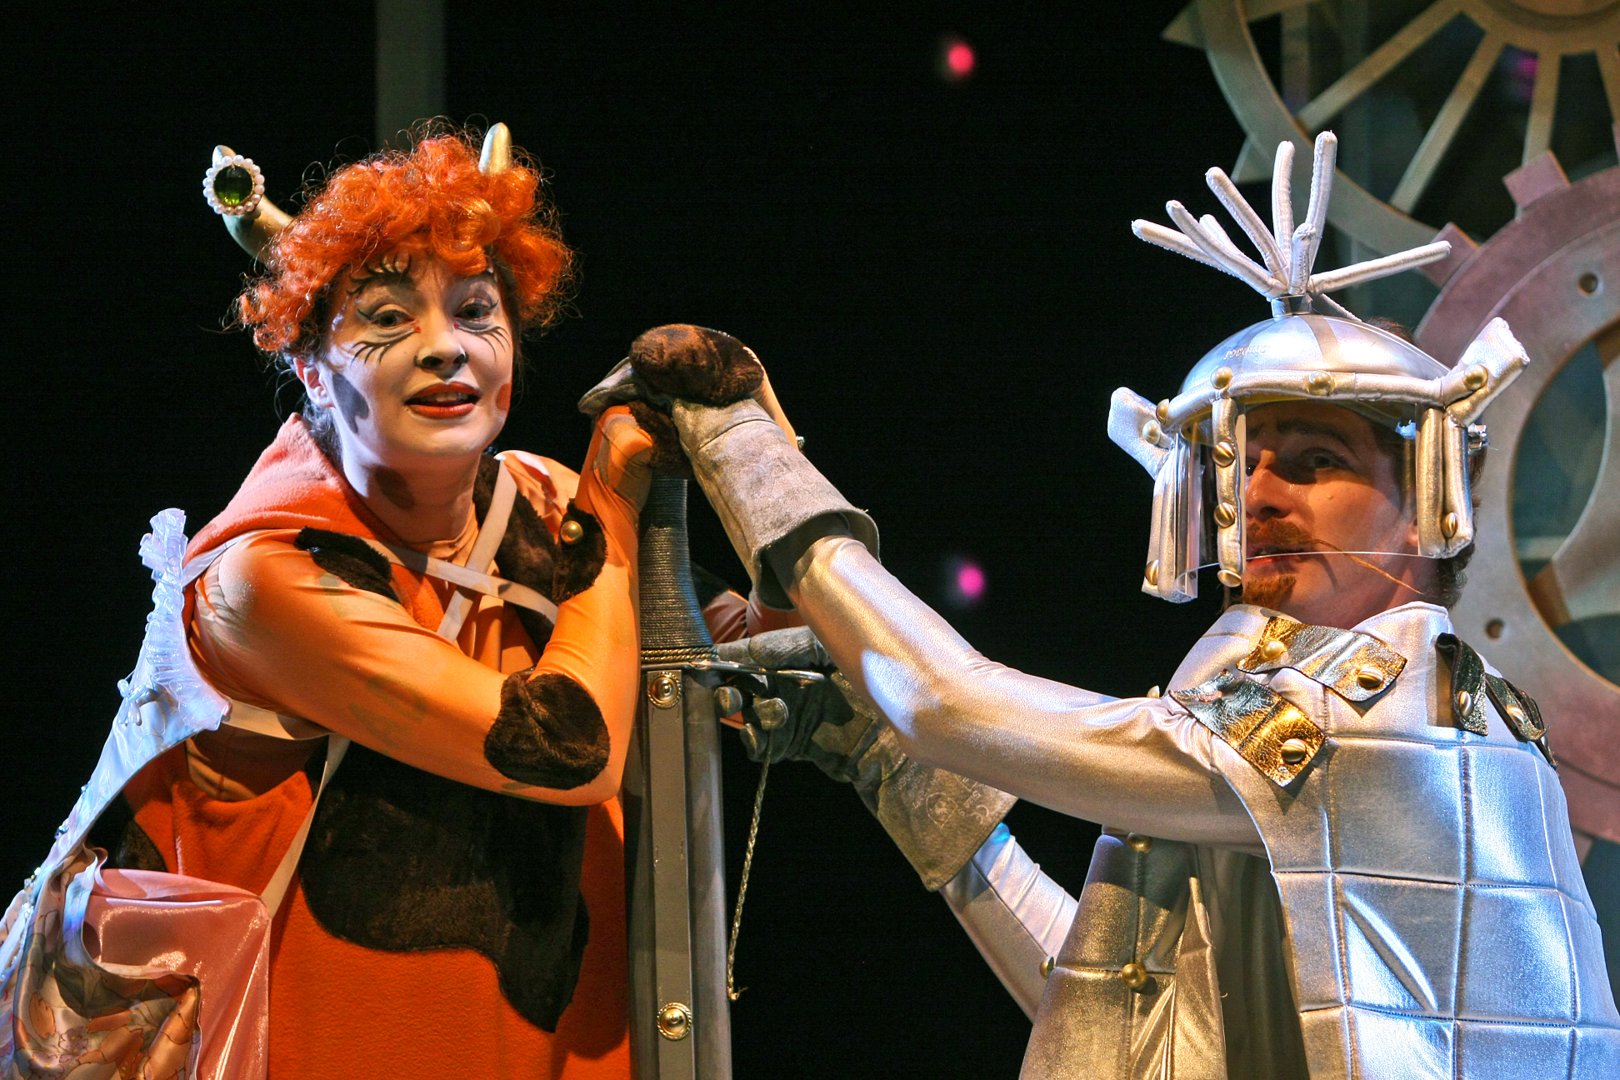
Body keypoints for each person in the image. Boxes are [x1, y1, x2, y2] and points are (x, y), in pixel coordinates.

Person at [590, 134, 1620, 1077]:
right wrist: (888, 760)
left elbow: (947, 702)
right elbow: (1106, 1018)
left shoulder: (1373, 717)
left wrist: (749, 456)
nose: (1259, 498)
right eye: (1244, 468)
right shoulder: (1403, 713)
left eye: (1316, 461)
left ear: (1427, 501)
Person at [126, 124, 649, 1078]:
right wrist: (611, 507)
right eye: (386, 318)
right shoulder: (266, 572)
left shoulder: (541, 498)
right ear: (311, 368)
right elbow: (575, 749)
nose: (445, 348)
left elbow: (717, 656)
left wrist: (759, 457)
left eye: (477, 309)